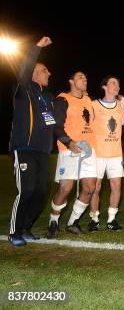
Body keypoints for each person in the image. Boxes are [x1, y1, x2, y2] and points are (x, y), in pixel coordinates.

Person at [8, 36, 54, 246]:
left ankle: (26, 227)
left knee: (41, 191)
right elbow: (25, 68)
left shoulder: (47, 97)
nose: (49, 74)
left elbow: (53, 122)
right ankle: (14, 232)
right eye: (45, 71)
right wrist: (36, 48)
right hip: (23, 148)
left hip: (42, 151)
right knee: (26, 190)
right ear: (34, 74)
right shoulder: (23, 90)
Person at [47, 71, 98, 237]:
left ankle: (72, 222)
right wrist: (69, 142)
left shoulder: (88, 99)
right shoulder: (62, 100)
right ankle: (53, 221)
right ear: (71, 81)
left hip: (89, 150)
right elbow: (55, 126)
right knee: (66, 188)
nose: (85, 79)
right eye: (80, 77)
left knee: (90, 188)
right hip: (69, 149)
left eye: (86, 77)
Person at [88, 76, 124, 232]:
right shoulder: (93, 105)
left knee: (116, 186)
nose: (117, 86)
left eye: (118, 83)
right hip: (97, 154)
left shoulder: (121, 105)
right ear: (104, 87)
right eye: (113, 83)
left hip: (116, 154)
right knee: (95, 187)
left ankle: (111, 219)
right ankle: (94, 219)